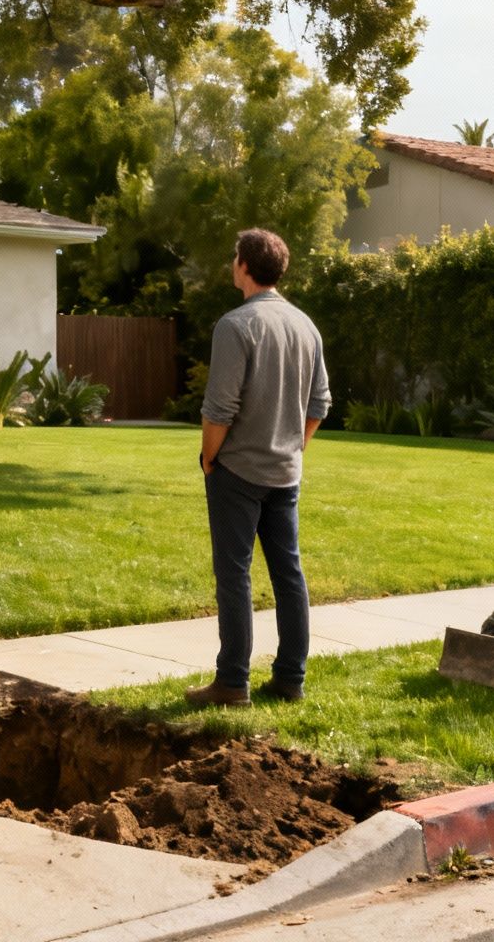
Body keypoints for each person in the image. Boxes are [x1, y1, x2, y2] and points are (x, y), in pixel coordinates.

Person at [188, 228, 330, 708]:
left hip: (239, 473)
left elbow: (219, 410)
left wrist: (210, 458)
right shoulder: (306, 325)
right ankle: (291, 679)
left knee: (234, 575)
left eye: (235, 257)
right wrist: (294, 447)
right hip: (285, 473)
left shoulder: (236, 325)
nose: (232, 263)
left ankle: (231, 683)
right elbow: (320, 404)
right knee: (289, 575)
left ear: (245, 266)